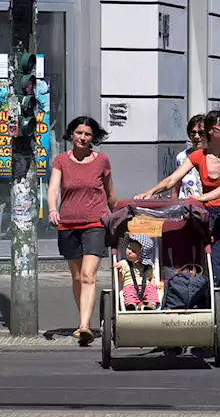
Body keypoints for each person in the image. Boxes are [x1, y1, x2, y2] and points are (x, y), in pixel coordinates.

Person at [138, 110, 220, 358]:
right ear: (210, 131)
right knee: (210, 276)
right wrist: (149, 193)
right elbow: (173, 179)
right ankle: (206, 335)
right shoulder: (198, 156)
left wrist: (198, 199)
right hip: (209, 219)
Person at [47, 115, 117, 346]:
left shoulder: (102, 161)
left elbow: (110, 193)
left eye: (88, 134)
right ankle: (82, 321)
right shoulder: (61, 161)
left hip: (95, 224)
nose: (83, 137)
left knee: (88, 274)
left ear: (93, 138)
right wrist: (51, 209)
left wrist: (119, 214)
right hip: (68, 224)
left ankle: (85, 326)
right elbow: (54, 187)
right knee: (77, 277)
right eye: (79, 133)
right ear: (71, 134)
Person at [116, 237, 160, 311]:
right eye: (128, 248)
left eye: (133, 251)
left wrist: (153, 284)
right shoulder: (123, 263)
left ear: (141, 255)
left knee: (152, 292)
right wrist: (119, 271)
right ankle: (131, 305)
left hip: (146, 285)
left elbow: (151, 277)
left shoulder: (148, 265)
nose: (129, 252)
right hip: (130, 285)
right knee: (129, 294)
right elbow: (121, 279)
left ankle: (151, 305)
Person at [177, 114, 205, 198]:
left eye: (201, 133)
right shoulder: (182, 157)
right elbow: (176, 185)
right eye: (193, 133)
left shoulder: (214, 156)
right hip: (187, 207)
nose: (196, 137)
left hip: (209, 207)